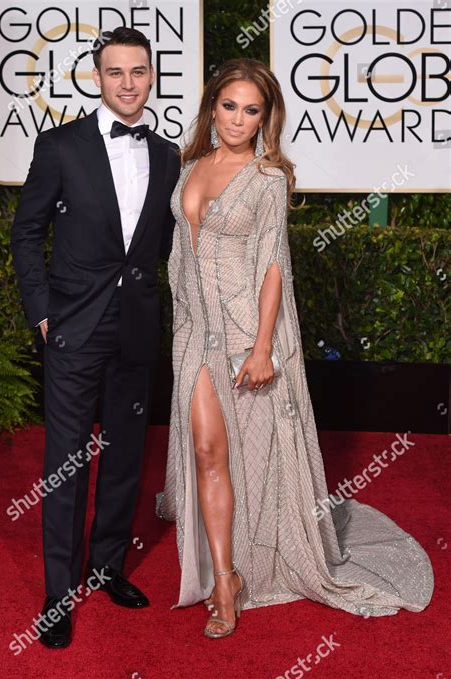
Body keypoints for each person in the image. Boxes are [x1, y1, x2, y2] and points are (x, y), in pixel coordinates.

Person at [156, 58, 434, 639]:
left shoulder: (267, 178)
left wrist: (263, 347)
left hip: (242, 331)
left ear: (265, 118)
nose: (237, 119)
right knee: (206, 450)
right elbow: (181, 252)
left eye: (250, 110)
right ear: (212, 107)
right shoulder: (190, 167)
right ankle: (225, 575)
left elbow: (274, 265)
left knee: (248, 451)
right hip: (193, 330)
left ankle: (241, 572)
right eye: (228, 106)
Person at [11, 27, 180, 648]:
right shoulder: (60, 145)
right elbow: (27, 232)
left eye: (138, 71)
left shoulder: (167, 155)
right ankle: (59, 593)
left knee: (126, 454)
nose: (128, 83)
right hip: (73, 327)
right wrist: (42, 312)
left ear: (152, 76)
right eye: (116, 72)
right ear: (97, 78)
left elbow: (164, 246)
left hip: (135, 325)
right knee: (66, 463)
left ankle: (107, 566)